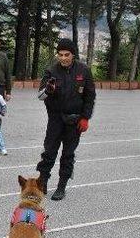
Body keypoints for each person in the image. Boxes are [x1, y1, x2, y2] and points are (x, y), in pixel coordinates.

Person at [36, 38, 96, 201]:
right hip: (55, 118)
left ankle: (61, 186)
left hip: (75, 120)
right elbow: (40, 96)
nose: (63, 58)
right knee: (49, 151)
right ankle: (43, 181)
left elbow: (90, 96)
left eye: (66, 55)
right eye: (60, 54)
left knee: (68, 154)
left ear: (73, 55)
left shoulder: (84, 71)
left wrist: (85, 118)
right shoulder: (51, 70)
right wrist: (48, 90)